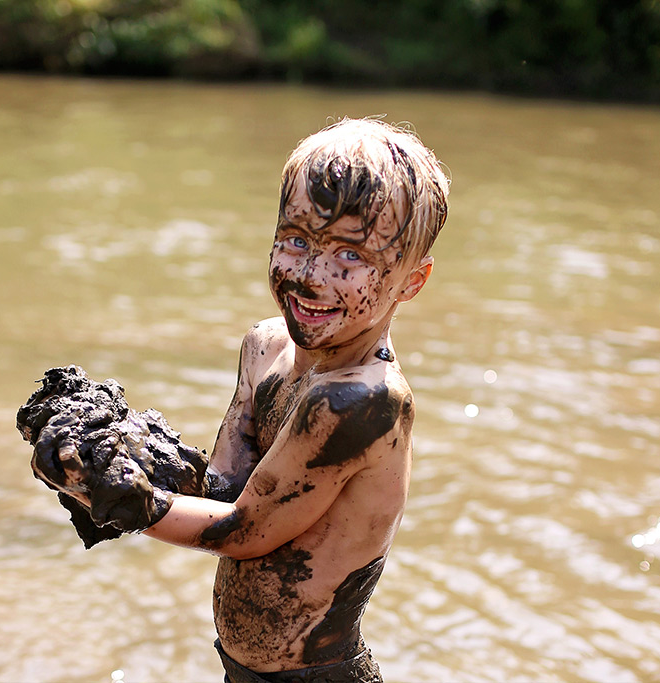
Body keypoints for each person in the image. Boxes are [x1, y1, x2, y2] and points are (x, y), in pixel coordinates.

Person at [45, 117, 449, 682]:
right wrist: (121, 448)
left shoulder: (363, 402)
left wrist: (116, 495)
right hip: (242, 668)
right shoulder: (264, 347)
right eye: (296, 240)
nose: (310, 276)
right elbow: (224, 488)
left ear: (411, 281)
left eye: (350, 257)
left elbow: (245, 530)